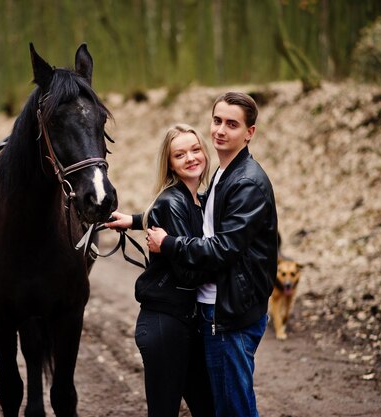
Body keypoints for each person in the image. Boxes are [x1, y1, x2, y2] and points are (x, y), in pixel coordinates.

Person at [146, 92, 278, 417]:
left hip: (229, 314)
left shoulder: (247, 183)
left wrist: (169, 244)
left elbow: (223, 248)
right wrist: (139, 220)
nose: (220, 130)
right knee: (222, 405)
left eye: (231, 124)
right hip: (217, 308)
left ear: (250, 132)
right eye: (217, 120)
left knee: (235, 410)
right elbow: (197, 214)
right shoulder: (224, 172)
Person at [108, 124, 215, 417]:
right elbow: (189, 274)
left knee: (208, 408)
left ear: (205, 151)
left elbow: (171, 221)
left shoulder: (199, 200)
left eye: (195, 149)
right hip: (164, 324)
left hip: (185, 322)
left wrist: (134, 220)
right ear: (169, 163)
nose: (191, 158)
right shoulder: (172, 200)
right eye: (179, 154)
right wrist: (224, 265)